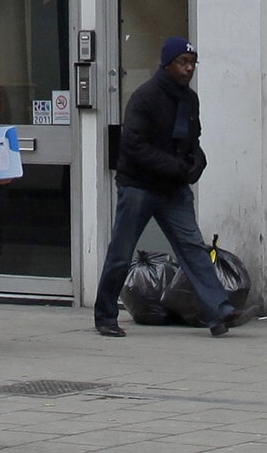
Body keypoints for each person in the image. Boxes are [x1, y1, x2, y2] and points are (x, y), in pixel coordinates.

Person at [92, 38, 237, 339]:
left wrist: (197, 160)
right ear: (167, 64)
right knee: (121, 252)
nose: (189, 68)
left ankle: (219, 311)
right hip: (139, 187)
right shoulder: (145, 98)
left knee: (193, 249)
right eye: (183, 62)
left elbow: (191, 139)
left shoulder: (189, 99)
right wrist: (176, 166)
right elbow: (133, 146)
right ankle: (105, 315)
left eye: (193, 62)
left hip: (173, 189)